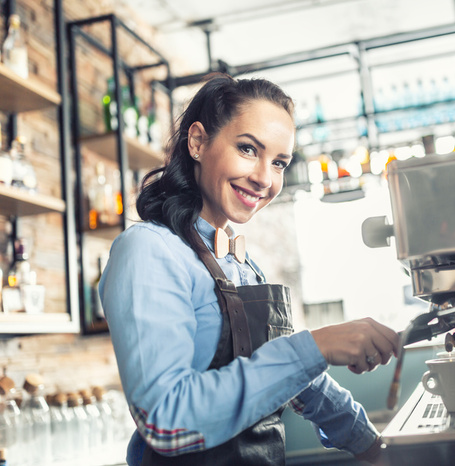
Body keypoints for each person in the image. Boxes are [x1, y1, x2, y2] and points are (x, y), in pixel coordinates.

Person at [99, 73, 400, 465]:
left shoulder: (242, 265)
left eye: (278, 162)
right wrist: (316, 346)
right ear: (198, 142)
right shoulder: (148, 251)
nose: (264, 178)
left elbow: (302, 381)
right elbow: (166, 420)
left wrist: (371, 445)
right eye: (247, 149)